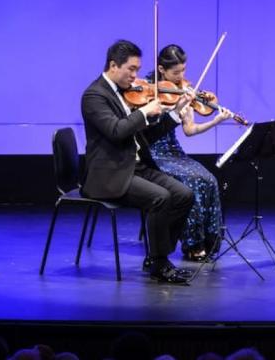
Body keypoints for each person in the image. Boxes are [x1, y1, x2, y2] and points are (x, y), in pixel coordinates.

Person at [81, 40, 195, 284]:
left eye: (137, 69)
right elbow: (115, 131)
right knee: (160, 198)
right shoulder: (94, 96)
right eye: (131, 69)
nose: (136, 76)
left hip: (135, 167)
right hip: (109, 174)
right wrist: (143, 113)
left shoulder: (126, 93)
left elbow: (145, 136)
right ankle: (160, 263)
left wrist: (175, 112)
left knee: (184, 195)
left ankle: (157, 255)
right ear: (113, 65)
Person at [147, 44, 234, 261]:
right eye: (175, 72)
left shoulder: (184, 91)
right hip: (152, 152)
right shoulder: (147, 91)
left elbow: (189, 131)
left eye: (183, 71)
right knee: (192, 181)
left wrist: (215, 120)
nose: (181, 77)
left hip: (174, 151)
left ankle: (210, 241)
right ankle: (193, 245)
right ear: (161, 69)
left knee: (209, 179)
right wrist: (170, 109)